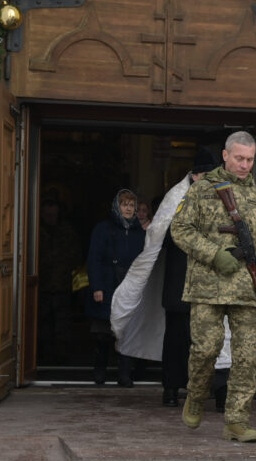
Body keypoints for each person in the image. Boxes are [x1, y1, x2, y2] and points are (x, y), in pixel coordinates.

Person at [170, 131, 256, 443]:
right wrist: (214, 255)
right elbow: (179, 229)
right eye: (239, 158)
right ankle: (195, 396)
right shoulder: (201, 190)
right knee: (205, 351)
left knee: (247, 359)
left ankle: (236, 420)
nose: (245, 165)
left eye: (250, 159)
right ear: (225, 155)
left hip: (249, 291)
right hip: (207, 288)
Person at [160, 148, 229, 409]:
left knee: (219, 340)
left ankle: (219, 392)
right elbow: (162, 237)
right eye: (206, 175)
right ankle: (171, 389)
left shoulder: (224, 194)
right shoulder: (176, 197)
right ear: (196, 175)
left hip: (213, 283)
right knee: (177, 342)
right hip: (180, 284)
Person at [86, 188, 146, 386]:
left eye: (131, 206)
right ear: (116, 207)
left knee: (127, 331)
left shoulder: (139, 232)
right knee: (104, 332)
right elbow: (94, 259)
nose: (128, 209)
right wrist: (97, 287)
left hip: (130, 286)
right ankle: (100, 370)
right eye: (124, 205)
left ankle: (124, 374)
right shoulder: (103, 229)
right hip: (107, 282)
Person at [37, 195, 82, 364]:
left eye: (53, 215)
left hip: (62, 286)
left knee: (63, 324)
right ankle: (44, 356)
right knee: (43, 324)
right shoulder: (35, 230)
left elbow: (77, 255)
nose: (50, 218)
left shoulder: (67, 231)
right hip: (41, 285)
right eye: (47, 215)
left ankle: (62, 358)